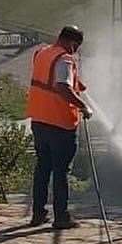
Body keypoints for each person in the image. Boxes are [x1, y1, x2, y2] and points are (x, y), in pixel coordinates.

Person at [25, 25, 91, 230]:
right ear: (72, 42)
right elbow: (62, 86)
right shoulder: (65, 59)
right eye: (76, 47)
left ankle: (38, 213)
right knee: (61, 171)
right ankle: (61, 216)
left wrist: (77, 84)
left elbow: (49, 80)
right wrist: (83, 106)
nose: (76, 51)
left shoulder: (42, 53)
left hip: (39, 119)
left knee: (42, 168)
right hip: (60, 123)